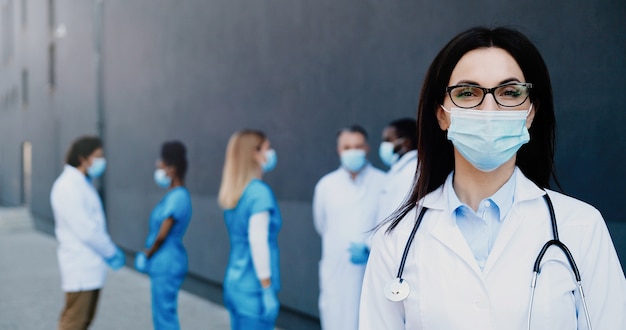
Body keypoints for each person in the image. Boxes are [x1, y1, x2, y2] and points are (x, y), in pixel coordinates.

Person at [359, 26, 626, 329]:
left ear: (530, 112)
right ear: (442, 114)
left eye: (510, 92)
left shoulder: (581, 227)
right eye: (467, 93)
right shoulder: (396, 240)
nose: (489, 109)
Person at [313, 125, 386, 330]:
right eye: (347, 147)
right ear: (339, 150)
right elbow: (321, 224)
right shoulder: (326, 185)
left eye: (357, 146)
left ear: (367, 148)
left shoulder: (384, 182)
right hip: (336, 271)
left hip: (371, 270)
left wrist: (369, 248)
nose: (352, 151)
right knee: (336, 319)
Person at [50, 135, 125, 330]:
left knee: (83, 322)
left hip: (90, 266)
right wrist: (110, 251)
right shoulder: (68, 186)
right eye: (97, 156)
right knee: (73, 323)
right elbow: (87, 230)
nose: (101, 162)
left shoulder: (81, 183)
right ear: (83, 158)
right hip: (80, 268)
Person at [218, 129, 281, 330]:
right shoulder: (259, 193)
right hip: (253, 292)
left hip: (234, 284)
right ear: (255, 154)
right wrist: (267, 289)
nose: (270, 153)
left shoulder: (236, 194)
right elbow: (258, 241)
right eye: (267, 148)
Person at [134, 141, 192, 330]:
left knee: (165, 317)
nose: (157, 166)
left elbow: (162, 235)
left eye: (161, 163)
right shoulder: (174, 195)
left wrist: (146, 254)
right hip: (165, 261)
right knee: (162, 314)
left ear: (172, 169)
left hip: (167, 262)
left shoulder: (178, 197)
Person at [376, 118, 418, 222]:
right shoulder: (399, 170)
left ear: (405, 143)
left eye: (388, 140)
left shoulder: (412, 171)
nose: (384, 145)